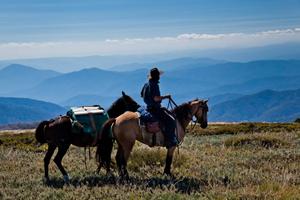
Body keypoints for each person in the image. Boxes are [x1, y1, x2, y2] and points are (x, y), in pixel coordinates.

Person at [140, 67, 178, 148]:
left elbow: (141, 95)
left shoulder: (146, 84)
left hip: (148, 108)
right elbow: (156, 98)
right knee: (171, 121)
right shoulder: (154, 85)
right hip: (155, 109)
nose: (159, 77)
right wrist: (165, 97)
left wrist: (148, 100)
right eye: (158, 75)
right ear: (157, 76)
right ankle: (170, 141)